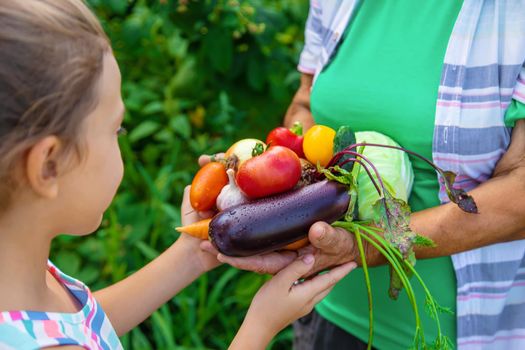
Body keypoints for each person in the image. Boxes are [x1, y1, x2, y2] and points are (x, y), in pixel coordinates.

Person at [0, 1, 357, 349]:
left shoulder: (20, 279)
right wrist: (260, 326)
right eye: (117, 129)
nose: (119, 138)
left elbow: (84, 322)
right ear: (48, 165)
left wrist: (190, 254)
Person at [202, 1, 525, 349]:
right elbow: (305, 106)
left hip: (454, 334)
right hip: (325, 310)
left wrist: (363, 246)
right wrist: (268, 193)